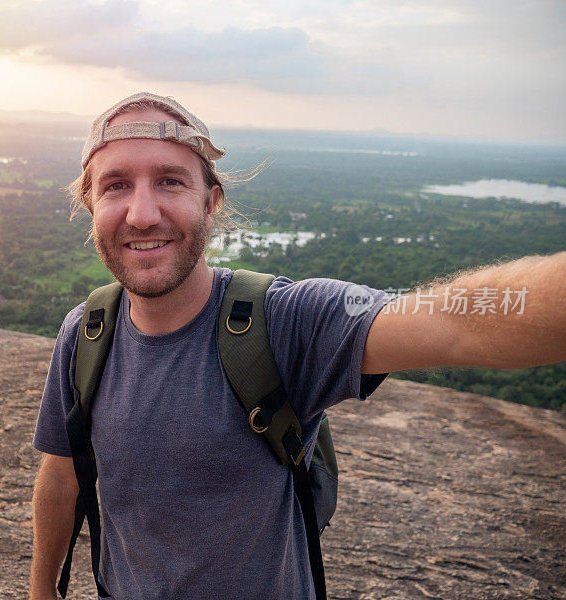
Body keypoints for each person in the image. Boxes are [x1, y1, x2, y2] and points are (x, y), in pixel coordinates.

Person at [29, 92, 566, 600]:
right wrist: (41, 589)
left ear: (210, 202)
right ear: (90, 204)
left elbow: (453, 322)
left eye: (170, 181)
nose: (142, 213)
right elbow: (61, 472)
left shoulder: (284, 323)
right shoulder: (86, 334)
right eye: (116, 186)